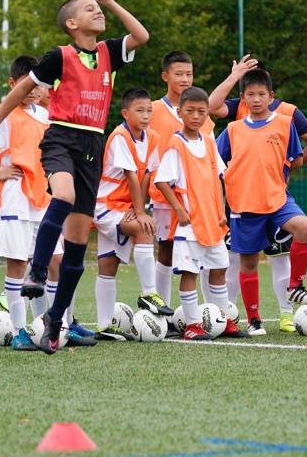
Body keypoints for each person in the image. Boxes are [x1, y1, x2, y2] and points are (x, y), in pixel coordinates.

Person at [0, 0, 149, 354]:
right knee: (64, 196)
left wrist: (111, 2)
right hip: (61, 138)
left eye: (98, 8)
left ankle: (56, 319)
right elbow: (25, 86)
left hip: (92, 145)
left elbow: (141, 36)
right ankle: (37, 270)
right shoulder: (60, 56)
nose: (98, 13)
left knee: (75, 248)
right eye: (90, 9)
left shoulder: (108, 53)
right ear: (72, 24)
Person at [209, 57, 307, 333]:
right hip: (244, 204)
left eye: (262, 94)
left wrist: (279, 171)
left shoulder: (285, 123)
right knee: (248, 263)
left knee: (303, 227)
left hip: (277, 199)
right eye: (251, 94)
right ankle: (253, 319)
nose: (257, 99)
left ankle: (295, 286)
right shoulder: (233, 129)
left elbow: (296, 158)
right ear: (243, 97)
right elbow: (214, 161)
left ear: (271, 96)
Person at [154, 87, 248, 340]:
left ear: (208, 115)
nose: (196, 116)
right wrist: (179, 210)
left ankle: (224, 319)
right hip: (190, 223)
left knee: (219, 270)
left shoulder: (208, 141)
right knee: (190, 272)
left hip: (212, 221)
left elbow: (220, 177)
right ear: (179, 112)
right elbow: (162, 181)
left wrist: (221, 211)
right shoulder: (176, 143)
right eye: (190, 111)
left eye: (201, 112)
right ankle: (193, 324)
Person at [148, 51, 215, 324]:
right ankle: (160, 311)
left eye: (189, 74)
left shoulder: (200, 111)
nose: (184, 79)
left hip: (197, 199)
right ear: (165, 76)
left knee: (202, 252)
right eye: (178, 74)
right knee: (165, 249)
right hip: (163, 195)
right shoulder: (152, 109)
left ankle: (211, 314)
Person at [94, 88, 166, 341]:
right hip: (105, 206)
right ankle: (149, 293)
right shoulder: (120, 137)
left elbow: (147, 176)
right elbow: (131, 175)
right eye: (139, 110)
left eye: (149, 110)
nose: (146, 115)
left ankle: (104, 325)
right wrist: (139, 213)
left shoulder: (154, 137)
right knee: (143, 228)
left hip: (126, 208)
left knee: (108, 264)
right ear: (125, 113)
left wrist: (140, 209)